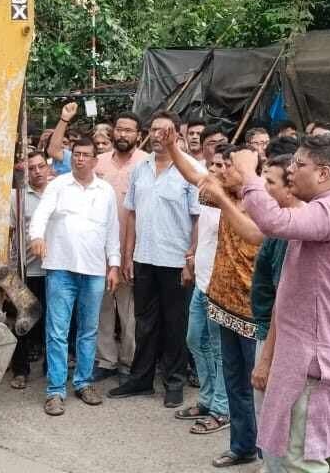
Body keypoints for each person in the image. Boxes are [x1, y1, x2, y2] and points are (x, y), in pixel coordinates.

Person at [240, 135, 330, 471]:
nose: (291, 171)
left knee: (301, 459)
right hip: (328, 352)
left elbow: (274, 222)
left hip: (316, 358)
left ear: (324, 173)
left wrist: (248, 175)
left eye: (299, 164)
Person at [169, 133, 262, 459]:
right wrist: (171, 147)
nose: (220, 173)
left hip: (252, 310)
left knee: (256, 387)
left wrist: (225, 198)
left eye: (228, 167)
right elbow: (195, 175)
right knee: (235, 382)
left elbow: (255, 232)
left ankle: (266, 454)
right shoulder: (222, 192)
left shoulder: (261, 200)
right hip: (222, 303)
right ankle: (242, 447)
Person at [109, 110, 201, 408]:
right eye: (155, 130)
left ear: (177, 134)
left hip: (176, 260)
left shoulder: (191, 170)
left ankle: (174, 382)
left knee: (175, 323)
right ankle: (141, 379)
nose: (159, 135)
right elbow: (132, 214)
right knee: (144, 321)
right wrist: (128, 255)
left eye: (166, 130)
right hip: (145, 257)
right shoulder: (141, 168)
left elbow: (198, 219)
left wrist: (192, 258)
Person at [28, 137, 121, 416]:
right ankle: (55, 390)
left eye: (86, 155)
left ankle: (83, 382)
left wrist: (113, 265)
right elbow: (41, 215)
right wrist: (36, 237)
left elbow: (112, 231)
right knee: (56, 331)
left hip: (93, 270)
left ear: (95, 160)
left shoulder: (105, 191)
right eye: (76, 154)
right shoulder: (58, 185)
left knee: (88, 330)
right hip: (60, 268)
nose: (80, 159)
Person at [173, 148, 228, 434]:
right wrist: (190, 258)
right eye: (213, 163)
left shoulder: (234, 201)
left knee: (220, 351)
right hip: (201, 283)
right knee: (195, 340)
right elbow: (200, 230)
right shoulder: (207, 195)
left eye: (222, 165)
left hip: (221, 289)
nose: (215, 169)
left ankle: (221, 408)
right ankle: (206, 399)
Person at [94, 112, 148, 381]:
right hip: (99, 248)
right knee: (102, 306)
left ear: (139, 135)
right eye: (119, 129)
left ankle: (128, 362)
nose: (123, 135)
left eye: (129, 131)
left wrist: (131, 254)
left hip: (132, 248)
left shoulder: (146, 163)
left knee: (128, 311)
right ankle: (105, 361)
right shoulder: (99, 162)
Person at [248, 155, 297, 425]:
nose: (263, 187)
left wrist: (265, 358)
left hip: (276, 335)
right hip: (267, 328)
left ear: (290, 188)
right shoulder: (279, 227)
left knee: (272, 414)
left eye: (270, 181)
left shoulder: (290, 229)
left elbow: (283, 299)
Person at [8, 150, 53, 389]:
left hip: (52, 269)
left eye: (40, 166)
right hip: (25, 270)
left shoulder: (58, 193)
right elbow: (10, 233)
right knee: (22, 322)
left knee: (52, 322)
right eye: (31, 168)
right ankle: (20, 370)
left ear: (48, 169)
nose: (37, 171)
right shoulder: (18, 197)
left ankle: (51, 368)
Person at [45, 101, 80, 175]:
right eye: (58, 142)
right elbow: (53, 150)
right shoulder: (48, 162)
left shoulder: (72, 158)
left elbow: (53, 150)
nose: (61, 145)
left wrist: (65, 119)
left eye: (65, 143)